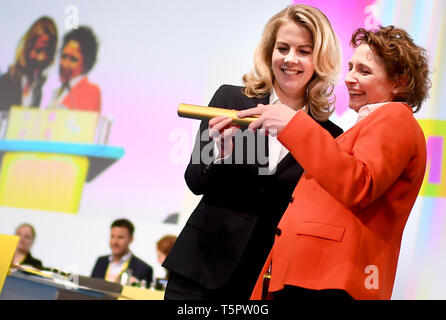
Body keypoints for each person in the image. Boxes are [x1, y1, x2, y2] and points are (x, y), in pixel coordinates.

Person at [163, 4, 344, 300]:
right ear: (269, 52)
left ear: (319, 59)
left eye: (303, 51)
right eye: (282, 48)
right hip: (199, 271)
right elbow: (194, 181)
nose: (290, 59)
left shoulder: (329, 136)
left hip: (264, 282)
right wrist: (218, 153)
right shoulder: (230, 99)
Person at [242, 25, 430, 300]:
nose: (350, 78)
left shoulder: (394, 118)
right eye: (351, 67)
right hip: (312, 276)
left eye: (364, 71)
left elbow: (359, 184)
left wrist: (295, 125)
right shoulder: (369, 124)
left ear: (399, 82)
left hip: (331, 280)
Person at [0, 16, 58, 111]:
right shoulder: (7, 81)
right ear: (28, 46)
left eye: (47, 52)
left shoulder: (39, 88)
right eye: (38, 50)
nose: (41, 58)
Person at [48, 26, 101, 113]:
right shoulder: (59, 91)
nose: (65, 64)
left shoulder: (91, 91)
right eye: (63, 56)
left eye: (73, 59)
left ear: (86, 64)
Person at [91, 218, 153, 287]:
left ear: (131, 239)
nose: (115, 242)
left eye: (120, 237)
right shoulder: (101, 261)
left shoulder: (143, 269)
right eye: (112, 236)